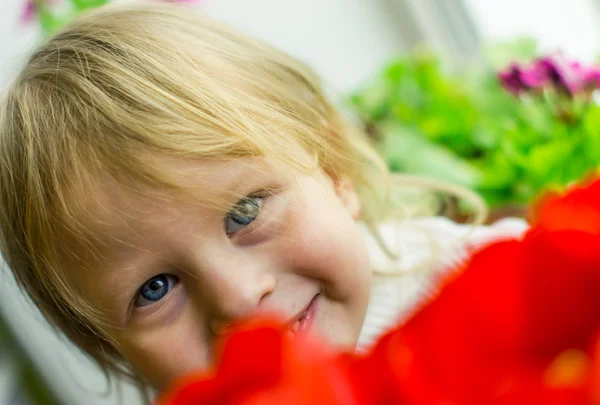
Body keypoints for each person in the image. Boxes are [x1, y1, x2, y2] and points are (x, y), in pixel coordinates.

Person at [0, 2, 527, 397]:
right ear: (104, 344)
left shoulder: (503, 288)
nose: (237, 299)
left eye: (244, 213)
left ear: (333, 166)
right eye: (155, 289)